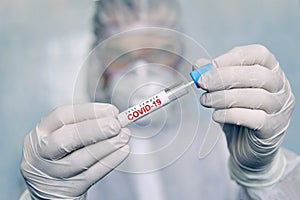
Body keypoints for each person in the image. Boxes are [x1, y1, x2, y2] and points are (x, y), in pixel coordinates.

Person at [20, 0, 300, 199]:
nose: (142, 70)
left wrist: (265, 173)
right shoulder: (71, 157)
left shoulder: (220, 144)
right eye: (123, 56)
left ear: (179, 58)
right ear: (99, 66)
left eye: (157, 53)